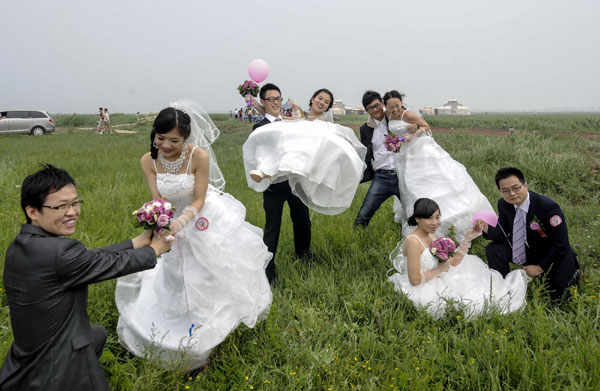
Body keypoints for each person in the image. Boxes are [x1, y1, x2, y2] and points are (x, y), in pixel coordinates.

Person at [115, 100, 272, 370]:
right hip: (172, 219)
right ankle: (178, 320)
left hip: (201, 216)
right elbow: (158, 199)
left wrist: (183, 221)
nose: (165, 146)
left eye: (174, 141)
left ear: (186, 138)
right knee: (176, 271)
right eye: (160, 138)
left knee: (209, 269)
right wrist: (160, 219)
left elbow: (199, 199)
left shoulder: (198, 156)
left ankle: (208, 329)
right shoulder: (148, 160)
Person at [0, 164, 172, 391]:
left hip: (28, 355)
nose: (71, 212)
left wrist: (136, 243)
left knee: (96, 334)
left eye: (74, 203)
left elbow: (87, 259)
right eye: (61, 206)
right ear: (33, 211)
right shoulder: (60, 252)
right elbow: (105, 264)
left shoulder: (21, 245)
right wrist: (155, 250)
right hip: (56, 366)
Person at [388, 198, 528, 319]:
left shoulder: (431, 235)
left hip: (438, 275)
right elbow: (415, 280)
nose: (435, 222)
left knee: (482, 286)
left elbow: (453, 262)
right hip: (423, 285)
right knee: (470, 302)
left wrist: (467, 239)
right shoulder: (413, 241)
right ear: (418, 218)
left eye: (437, 217)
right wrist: (441, 269)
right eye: (429, 218)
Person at [383, 90, 494, 241]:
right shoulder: (387, 115)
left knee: (434, 183)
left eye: (397, 105)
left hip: (420, 151)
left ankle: (453, 223)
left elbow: (426, 127)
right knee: (410, 186)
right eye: (391, 107)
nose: (395, 109)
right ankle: (417, 220)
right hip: (405, 155)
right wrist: (395, 141)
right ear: (386, 106)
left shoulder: (407, 115)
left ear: (401, 102)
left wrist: (413, 133)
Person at [480, 167, 581, 301]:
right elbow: (503, 233)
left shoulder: (548, 207)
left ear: (525, 185)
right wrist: (486, 228)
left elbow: (561, 244)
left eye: (516, 188)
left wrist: (540, 268)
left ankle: (567, 275)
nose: (512, 194)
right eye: (505, 191)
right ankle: (502, 287)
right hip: (525, 249)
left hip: (550, 254)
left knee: (558, 298)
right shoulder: (504, 204)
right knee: (494, 249)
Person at [354, 90, 404, 227]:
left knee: (413, 212)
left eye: (377, 105)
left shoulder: (395, 119)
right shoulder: (365, 129)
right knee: (363, 215)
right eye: (371, 108)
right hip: (382, 178)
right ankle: (357, 241)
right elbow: (365, 152)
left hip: (403, 176)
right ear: (366, 110)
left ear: (382, 103)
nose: (375, 109)